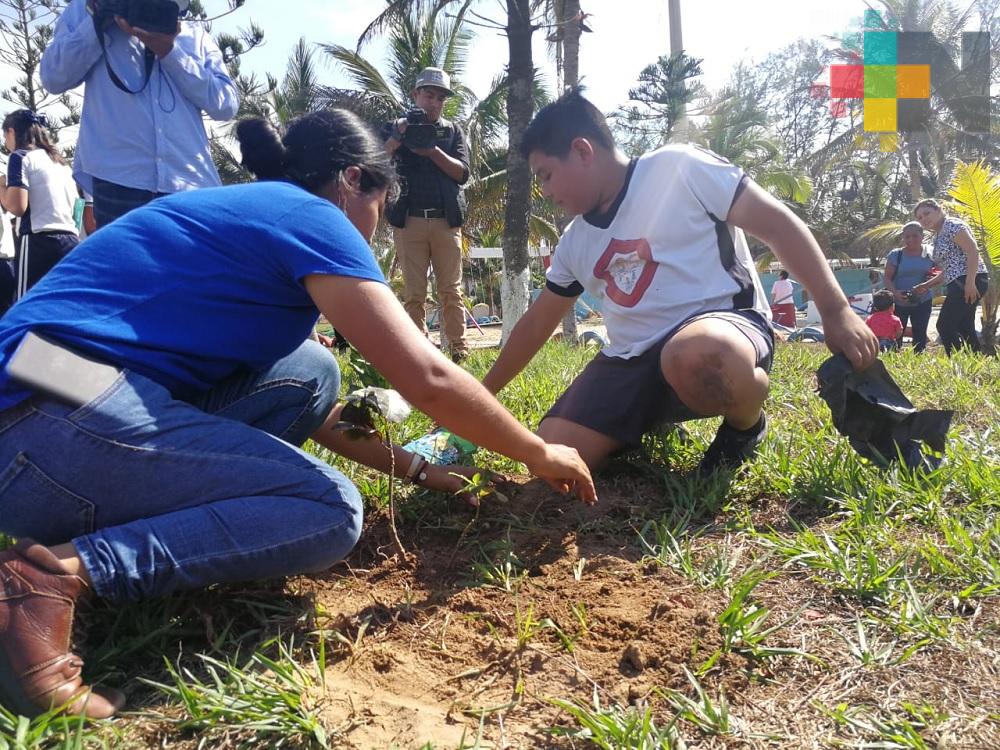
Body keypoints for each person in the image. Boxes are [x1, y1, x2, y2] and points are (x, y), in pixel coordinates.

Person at [0, 109, 595, 720]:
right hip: (41, 419)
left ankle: (117, 540)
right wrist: (537, 450)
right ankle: (48, 575)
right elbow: (429, 378)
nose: (373, 233)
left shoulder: (251, 214)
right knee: (329, 510)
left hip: (50, 403)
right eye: (379, 207)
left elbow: (316, 407)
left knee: (310, 368)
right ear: (352, 180)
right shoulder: (314, 216)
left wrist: (421, 470)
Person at [482, 89, 878, 476]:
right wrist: (482, 396)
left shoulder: (678, 169)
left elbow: (777, 225)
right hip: (631, 358)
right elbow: (537, 324)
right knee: (555, 452)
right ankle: (647, 418)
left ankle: (746, 424)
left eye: (546, 175)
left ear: (583, 151)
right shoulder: (575, 241)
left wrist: (836, 310)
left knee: (696, 355)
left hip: (722, 330)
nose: (545, 191)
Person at [40, 0, 239, 228]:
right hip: (119, 179)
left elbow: (226, 105)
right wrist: (97, 23)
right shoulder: (87, 8)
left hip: (191, 180)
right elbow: (53, 77)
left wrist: (169, 51)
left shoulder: (195, 34)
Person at [384, 67, 470, 361]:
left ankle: (459, 351)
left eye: (440, 98)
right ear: (415, 95)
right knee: (414, 294)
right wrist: (398, 136)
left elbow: (462, 173)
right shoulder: (396, 128)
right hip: (409, 221)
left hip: (446, 221)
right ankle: (417, 354)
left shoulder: (452, 131)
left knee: (451, 291)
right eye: (429, 95)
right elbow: (376, 162)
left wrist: (432, 151)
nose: (434, 103)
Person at [0, 110, 80, 301]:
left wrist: (2, 188)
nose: (6, 143)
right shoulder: (62, 164)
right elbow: (78, 206)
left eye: (5, 137)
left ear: (12, 132)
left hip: (38, 241)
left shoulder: (20, 157)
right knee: (63, 302)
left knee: (27, 304)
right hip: (71, 240)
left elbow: (17, 206)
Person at [911, 198, 989, 355]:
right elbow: (950, 269)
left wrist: (970, 283)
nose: (924, 219)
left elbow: (972, 250)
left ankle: (957, 361)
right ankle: (975, 360)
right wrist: (926, 285)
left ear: (938, 209)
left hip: (968, 280)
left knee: (944, 325)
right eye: (920, 217)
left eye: (927, 213)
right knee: (964, 326)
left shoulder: (951, 225)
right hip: (959, 281)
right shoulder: (938, 235)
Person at [883, 221, 934, 352]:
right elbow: (887, 278)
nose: (911, 239)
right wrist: (895, 293)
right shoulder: (896, 255)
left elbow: (940, 274)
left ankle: (919, 359)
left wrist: (926, 285)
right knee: (895, 336)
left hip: (923, 300)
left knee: (920, 335)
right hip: (898, 302)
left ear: (922, 236)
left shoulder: (930, 253)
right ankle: (894, 359)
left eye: (915, 235)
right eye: (907, 236)